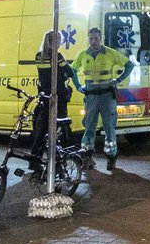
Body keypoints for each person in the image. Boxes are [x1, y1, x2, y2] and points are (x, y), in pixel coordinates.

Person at [72, 26, 134, 171]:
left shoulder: (111, 53)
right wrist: (78, 86)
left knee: (109, 127)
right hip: (91, 97)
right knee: (89, 127)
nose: (93, 41)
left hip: (107, 96)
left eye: (96, 38)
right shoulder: (83, 55)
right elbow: (72, 70)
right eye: (91, 38)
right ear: (88, 39)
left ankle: (111, 159)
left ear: (101, 39)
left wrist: (117, 80)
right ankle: (87, 158)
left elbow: (129, 65)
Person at [29, 30, 81, 172]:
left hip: (44, 97)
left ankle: (35, 159)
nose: (60, 43)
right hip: (57, 97)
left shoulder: (38, 56)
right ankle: (63, 158)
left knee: (42, 129)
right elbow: (70, 71)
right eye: (59, 41)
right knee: (62, 126)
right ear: (54, 41)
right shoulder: (57, 57)